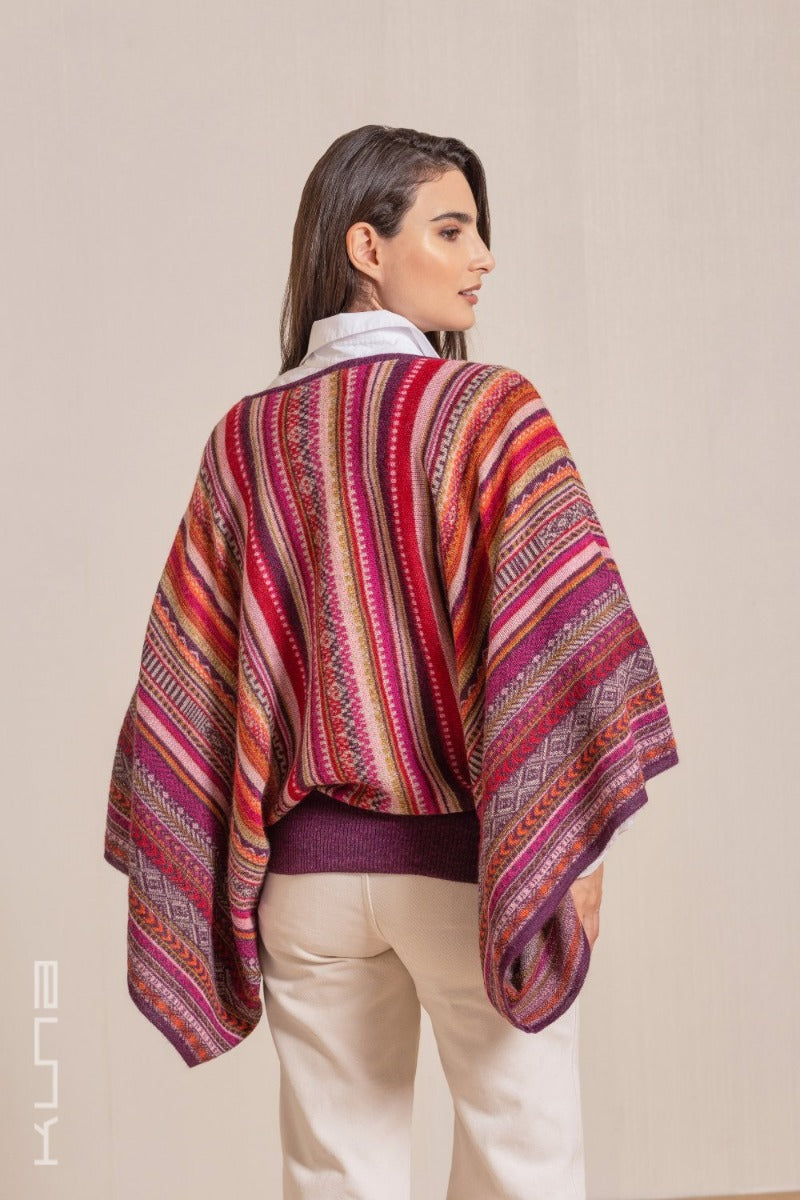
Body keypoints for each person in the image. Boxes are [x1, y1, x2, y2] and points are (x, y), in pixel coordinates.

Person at [104, 124, 679, 1200]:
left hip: (303, 884)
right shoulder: (488, 412)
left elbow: (194, 677)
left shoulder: (245, 438)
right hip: (469, 868)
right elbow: (565, 642)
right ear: (365, 247)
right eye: (452, 230)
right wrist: (577, 847)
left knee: (335, 1175)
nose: (482, 258)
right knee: (522, 1166)